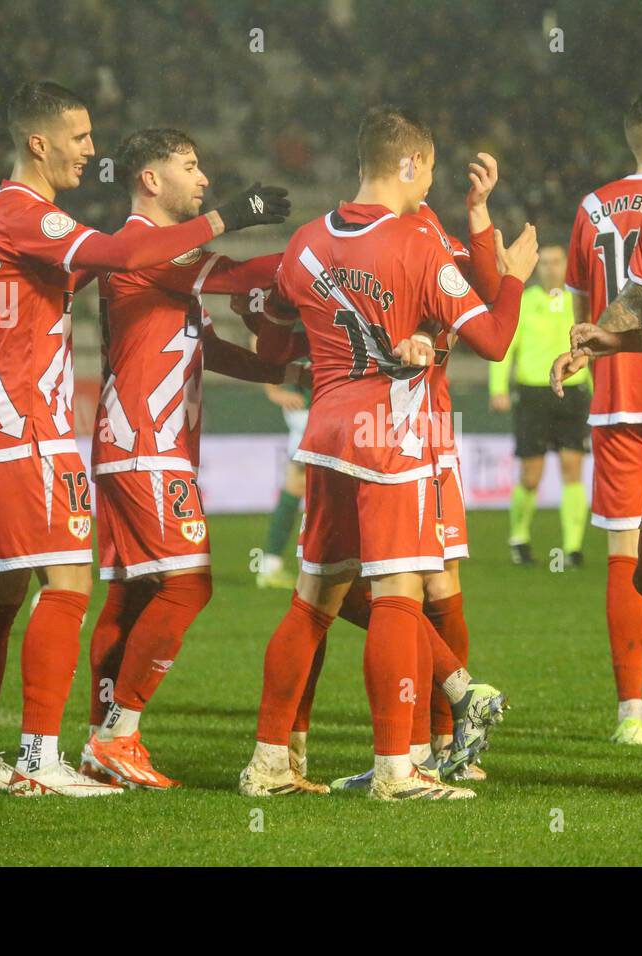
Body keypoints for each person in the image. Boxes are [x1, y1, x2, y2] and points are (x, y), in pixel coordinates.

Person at [0, 80, 290, 796]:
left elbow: (191, 335)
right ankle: (63, 752)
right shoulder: (28, 214)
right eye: (79, 138)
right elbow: (129, 258)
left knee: (12, 593)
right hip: (43, 429)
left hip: (2, 424)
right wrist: (316, 259)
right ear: (39, 142)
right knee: (100, 586)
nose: (91, 150)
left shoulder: (0, 218)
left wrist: (278, 357)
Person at [239, 106, 536, 800]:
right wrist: (516, 274)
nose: (429, 178)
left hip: (326, 435)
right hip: (390, 434)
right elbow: (494, 338)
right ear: (408, 165)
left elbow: (270, 324)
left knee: (312, 600)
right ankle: (397, 771)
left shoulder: (307, 242)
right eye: (427, 165)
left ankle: (269, 761)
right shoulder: (414, 243)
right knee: (401, 597)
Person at [79, 127, 302, 790]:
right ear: (150, 179)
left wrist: (291, 370)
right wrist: (319, 259)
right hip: (146, 445)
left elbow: (207, 346)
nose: (203, 178)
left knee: (131, 595)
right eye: (190, 165)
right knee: (189, 584)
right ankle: (120, 734)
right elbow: (239, 275)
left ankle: (101, 741)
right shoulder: (138, 249)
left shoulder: (161, 261)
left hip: (140, 447)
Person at [559, 89, 642, 745]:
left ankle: (631, 712)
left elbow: (583, 309)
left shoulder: (594, 206)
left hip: (616, 400)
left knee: (624, 553)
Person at [489, 244, 590, 568]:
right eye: (544, 263)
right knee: (531, 474)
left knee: (572, 468)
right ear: (538, 268)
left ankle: (572, 548)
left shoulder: (579, 302)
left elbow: (594, 347)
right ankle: (519, 538)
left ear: (565, 265)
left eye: (556, 262)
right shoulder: (523, 300)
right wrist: (498, 388)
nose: (550, 268)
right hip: (533, 392)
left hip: (573, 391)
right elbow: (504, 345)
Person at [255, 378, 310, 590]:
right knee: (336, 489)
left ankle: (270, 565)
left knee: (296, 484)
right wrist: (274, 391)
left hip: (314, 409)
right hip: (313, 411)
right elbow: (259, 344)